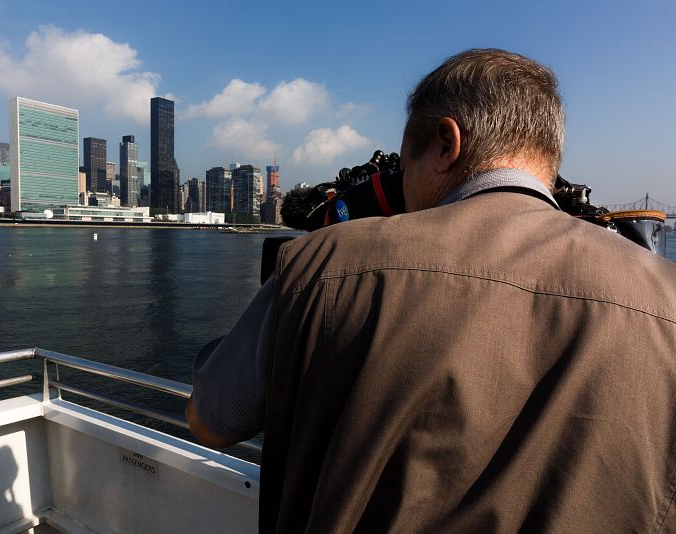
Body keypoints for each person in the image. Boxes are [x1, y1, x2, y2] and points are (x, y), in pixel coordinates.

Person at [187, 49, 676, 532]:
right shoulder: (667, 297)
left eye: (404, 169)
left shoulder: (325, 265)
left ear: (445, 143)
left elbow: (210, 420)